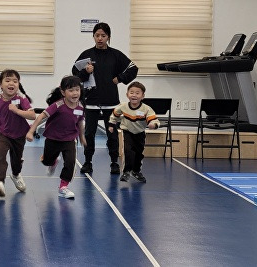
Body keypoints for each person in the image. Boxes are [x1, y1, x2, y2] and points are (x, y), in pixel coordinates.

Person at [72, 22, 138, 175]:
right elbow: (75, 74)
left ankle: (114, 162)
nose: (100, 38)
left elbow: (133, 68)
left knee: (112, 133)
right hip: (91, 101)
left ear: (108, 37)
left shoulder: (115, 54)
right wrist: (86, 72)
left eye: (103, 36)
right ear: (93, 36)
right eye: (97, 35)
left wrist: (120, 78)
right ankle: (88, 162)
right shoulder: (87, 55)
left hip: (110, 102)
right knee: (89, 134)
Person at [26, 76, 86, 199]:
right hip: (53, 138)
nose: (75, 93)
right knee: (46, 161)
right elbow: (41, 116)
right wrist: (31, 131)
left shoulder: (80, 107)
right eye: (71, 90)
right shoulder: (58, 105)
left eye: (77, 90)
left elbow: (80, 122)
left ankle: (63, 187)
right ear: (63, 92)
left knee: (70, 163)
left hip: (70, 139)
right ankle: (52, 162)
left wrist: (82, 137)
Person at [0, 69, 36, 197]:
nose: (11, 83)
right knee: (0, 156)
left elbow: (32, 115)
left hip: (19, 135)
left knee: (16, 160)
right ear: (1, 85)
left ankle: (16, 174)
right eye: (7, 80)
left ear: (18, 84)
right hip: (3, 133)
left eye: (15, 81)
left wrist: (17, 111)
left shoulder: (21, 99)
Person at [108, 81, 159, 183]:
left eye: (137, 93)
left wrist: (153, 124)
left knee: (138, 153)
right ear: (127, 94)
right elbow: (115, 114)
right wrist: (111, 124)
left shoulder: (146, 109)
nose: (134, 95)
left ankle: (136, 171)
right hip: (127, 132)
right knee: (128, 151)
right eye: (131, 92)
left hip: (140, 133)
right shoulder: (123, 107)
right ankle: (126, 172)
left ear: (142, 96)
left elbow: (153, 119)